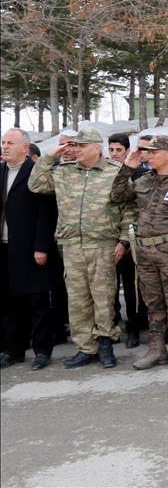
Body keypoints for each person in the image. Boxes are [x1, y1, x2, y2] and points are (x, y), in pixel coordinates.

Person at [28, 129, 136, 368]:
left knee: (103, 298)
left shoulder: (115, 172)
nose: (75, 150)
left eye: (81, 146)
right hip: (71, 245)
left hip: (102, 245)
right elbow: (35, 185)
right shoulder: (64, 172)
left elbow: (129, 209)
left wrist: (123, 241)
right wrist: (52, 155)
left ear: (96, 147)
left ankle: (105, 344)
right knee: (78, 300)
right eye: (74, 145)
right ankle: (86, 348)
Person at [111, 136, 168, 369]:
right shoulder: (143, 180)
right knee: (152, 302)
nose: (147, 156)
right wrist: (128, 168)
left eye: (153, 152)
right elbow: (117, 196)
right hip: (145, 251)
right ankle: (156, 349)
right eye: (146, 152)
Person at [1, 128, 57, 370]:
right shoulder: (1, 171)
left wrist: (41, 246)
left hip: (31, 248)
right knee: (8, 302)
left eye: (10, 143)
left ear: (25, 148)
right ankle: (13, 350)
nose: (4, 146)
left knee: (37, 302)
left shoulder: (36, 173)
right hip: (4, 248)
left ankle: (42, 351)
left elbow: (46, 214)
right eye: (3, 142)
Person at [106, 133, 148, 348]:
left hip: (131, 238)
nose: (114, 154)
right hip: (108, 237)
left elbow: (135, 207)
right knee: (109, 287)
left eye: (118, 150)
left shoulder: (138, 172)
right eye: (111, 150)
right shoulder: (105, 172)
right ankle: (112, 324)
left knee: (132, 287)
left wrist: (126, 241)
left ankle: (134, 327)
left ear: (127, 151)